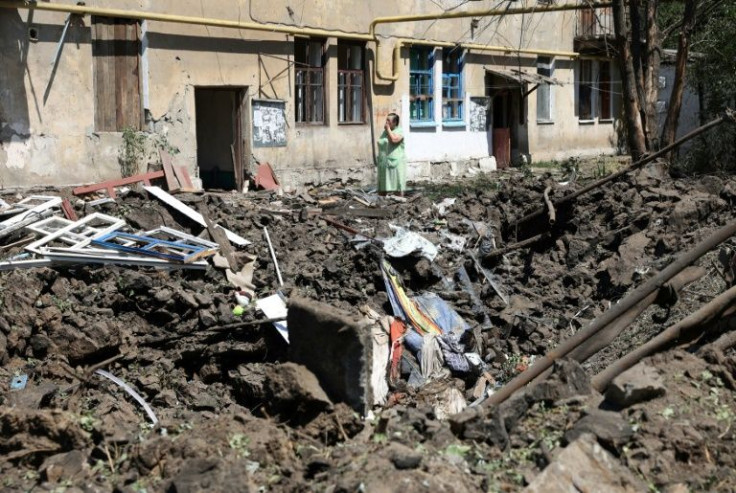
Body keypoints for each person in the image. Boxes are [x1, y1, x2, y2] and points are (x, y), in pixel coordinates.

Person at [376, 112, 406, 196]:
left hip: (395, 163)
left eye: (389, 120)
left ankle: (400, 203)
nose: (386, 122)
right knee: (383, 185)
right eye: (386, 120)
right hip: (384, 163)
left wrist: (388, 129)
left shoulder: (400, 131)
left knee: (397, 185)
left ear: (395, 122)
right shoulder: (385, 132)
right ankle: (381, 204)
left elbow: (394, 140)